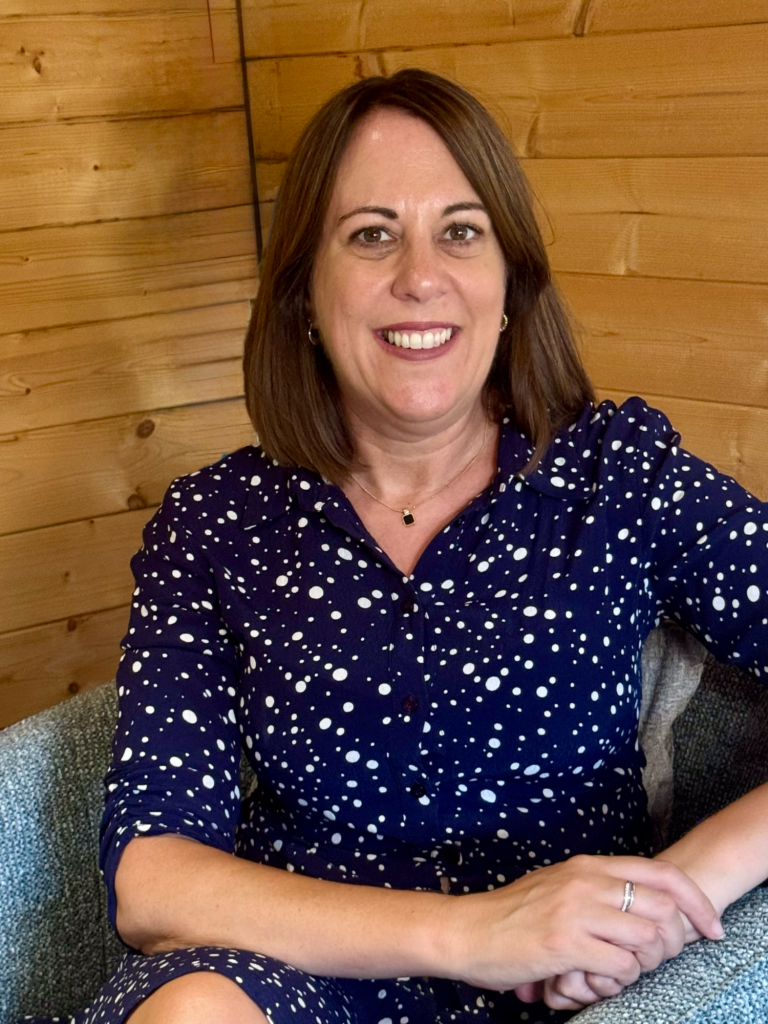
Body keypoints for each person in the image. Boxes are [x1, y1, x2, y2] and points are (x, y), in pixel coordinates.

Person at [34, 68, 768, 1024]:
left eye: (461, 232)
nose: (420, 277)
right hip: (293, 979)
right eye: (371, 234)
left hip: (575, 989)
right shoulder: (213, 523)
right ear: (304, 292)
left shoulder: (616, 473)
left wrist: (672, 893)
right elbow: (153, 878)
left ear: (509, 284)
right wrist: (470, 931)